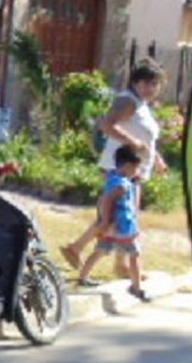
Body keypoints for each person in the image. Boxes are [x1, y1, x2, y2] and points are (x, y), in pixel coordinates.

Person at [61, 60, 167, 272]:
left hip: (133, 168)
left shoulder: (141, 104)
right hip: (118, 168)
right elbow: (106, 125)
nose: (151, 88)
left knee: (127, 215)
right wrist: (132, 143)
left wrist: (157, 159)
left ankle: (120, 264)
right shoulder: (128, 101)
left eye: (155, 84)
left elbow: (145, 136)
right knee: (116, 214)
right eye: (147, 83)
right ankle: (77, 247)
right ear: (135, 82)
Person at [75, 145, 148, 302]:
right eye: (137, 168)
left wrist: (104, 222)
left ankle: (83, 277)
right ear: (128, 166)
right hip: (123, 227)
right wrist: (107, 220)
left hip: (111, 228)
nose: (138, 171)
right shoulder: (122, 185)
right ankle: (136, 287)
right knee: (135, 255)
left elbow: (102, 200)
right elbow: (107, 201)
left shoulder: (114, 178)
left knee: (100, 252)